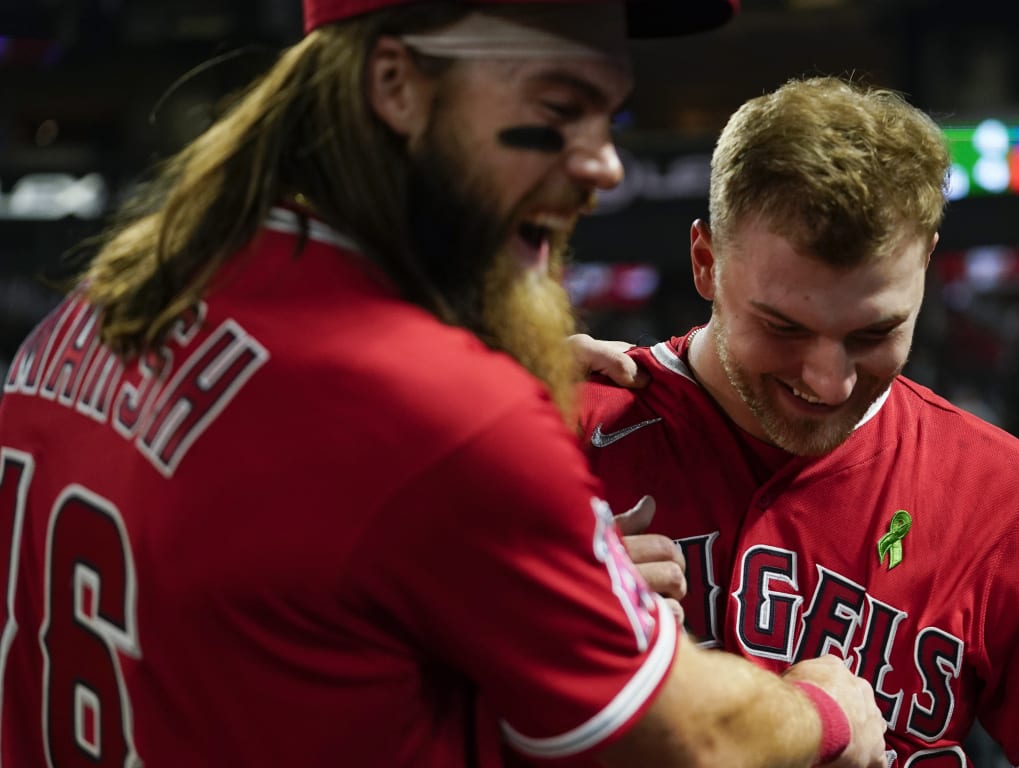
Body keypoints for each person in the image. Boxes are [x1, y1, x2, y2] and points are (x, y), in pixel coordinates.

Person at [0, 2, 892, 767]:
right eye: (558, 107)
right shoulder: (439, 410)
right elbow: (691, 737)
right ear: (395, 84)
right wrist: (824, 708)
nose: (603, 164)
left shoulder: (101, 310)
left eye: (606, 118)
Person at [577, 77, 1019, 768]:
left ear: (926, 266)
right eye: (783, 327)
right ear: (706, 263)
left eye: (873, 332)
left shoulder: (1005, 498)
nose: (829, 380)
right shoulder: (560, 435)